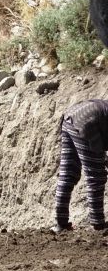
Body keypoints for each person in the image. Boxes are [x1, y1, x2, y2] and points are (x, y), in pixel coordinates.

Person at [51, 99, 108, 233]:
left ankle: (61, 223)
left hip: (71, 116)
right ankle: (98, 225)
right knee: (96, 176)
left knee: (68, 173)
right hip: (88, 122)